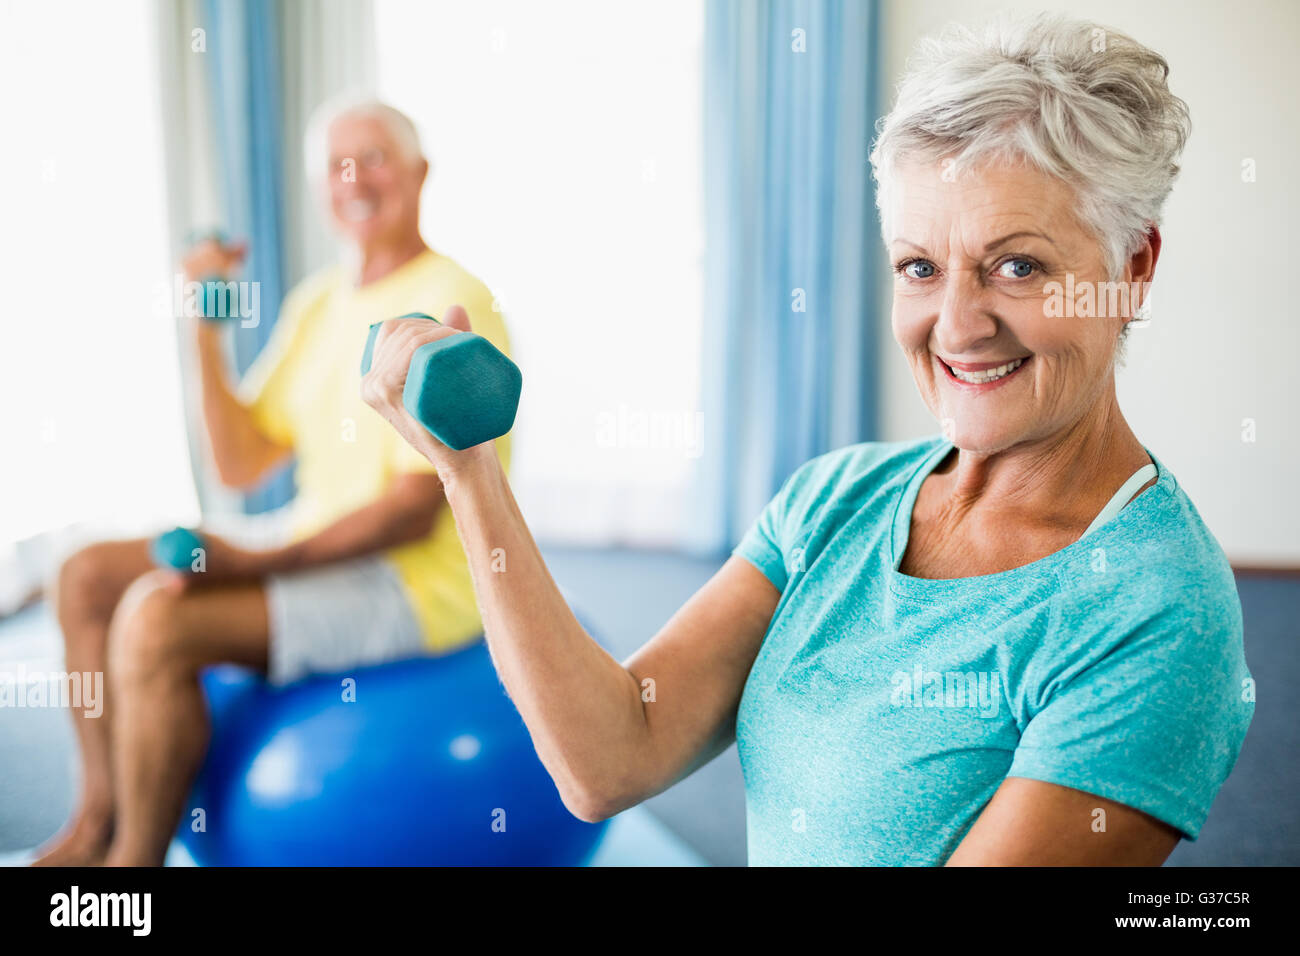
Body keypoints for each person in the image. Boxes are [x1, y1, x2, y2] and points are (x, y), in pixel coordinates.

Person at [362, 14, 1253, 865]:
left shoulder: (1155, 611)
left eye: (1017, 266)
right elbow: (612, 755)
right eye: (920, 267)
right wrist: (469, 474)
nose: (957, 326)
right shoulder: (836, 499)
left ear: (1133, 267)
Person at [35, 98, 512, 867]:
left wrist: (252, 565)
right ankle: (96, 824)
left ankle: (132, 872)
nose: (354, 180)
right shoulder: (318, 302)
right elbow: (241, 462)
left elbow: (412, 514)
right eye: (336, 165)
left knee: (154, 621)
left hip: (413, 582)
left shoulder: (456, 298)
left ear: (420, 172)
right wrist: (204, 327)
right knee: (82, 575)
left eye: (375, 158)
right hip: (309, 536)